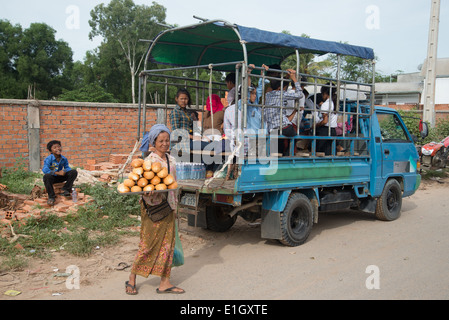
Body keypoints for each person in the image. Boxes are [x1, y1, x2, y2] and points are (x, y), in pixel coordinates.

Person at [126, 124, 185, 296]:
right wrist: (148, 190)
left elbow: (172, 184)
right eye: (161, 141)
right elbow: (140, 185)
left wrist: (175, 206)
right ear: (153, 142)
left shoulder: (171, 160)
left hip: (169, 207)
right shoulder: (148, 162)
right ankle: (131, 278)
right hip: (153, 208)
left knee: (167, 245)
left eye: (167, 140)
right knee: (148, 245)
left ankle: (165, 282)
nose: (165, 144)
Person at [263, 65, 304, 155]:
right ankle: (289, 154)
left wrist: (287, 77)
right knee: (295, 136)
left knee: (279, 145)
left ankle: (280, 154)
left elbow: (281, 85)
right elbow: (300, 94)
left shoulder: (268, 94)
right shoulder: (281, 94)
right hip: (283, 127)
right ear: (279, 88)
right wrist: (294, 79)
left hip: (271, 128)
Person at [42, 140, 78, 206]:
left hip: (60, 177)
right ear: (51, 151)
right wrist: (57, 173)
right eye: (55, 148)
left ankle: (65, 189)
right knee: (46, 176)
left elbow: (67, 167)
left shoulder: (63, 159)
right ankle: (51, 197)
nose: (58, 149)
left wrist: (64, 171)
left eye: (59, 147)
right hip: (52, 178)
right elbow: (45, 169)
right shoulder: (48, 159)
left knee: (73, 172)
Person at [316, 83, 338, 155]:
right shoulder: (335, 103)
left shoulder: (325, 104)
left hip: (325, 131)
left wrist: (316, 125)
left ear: (325, 93)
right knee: (331, 153)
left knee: (321, 153)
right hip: (333, 130)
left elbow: (325, 121)